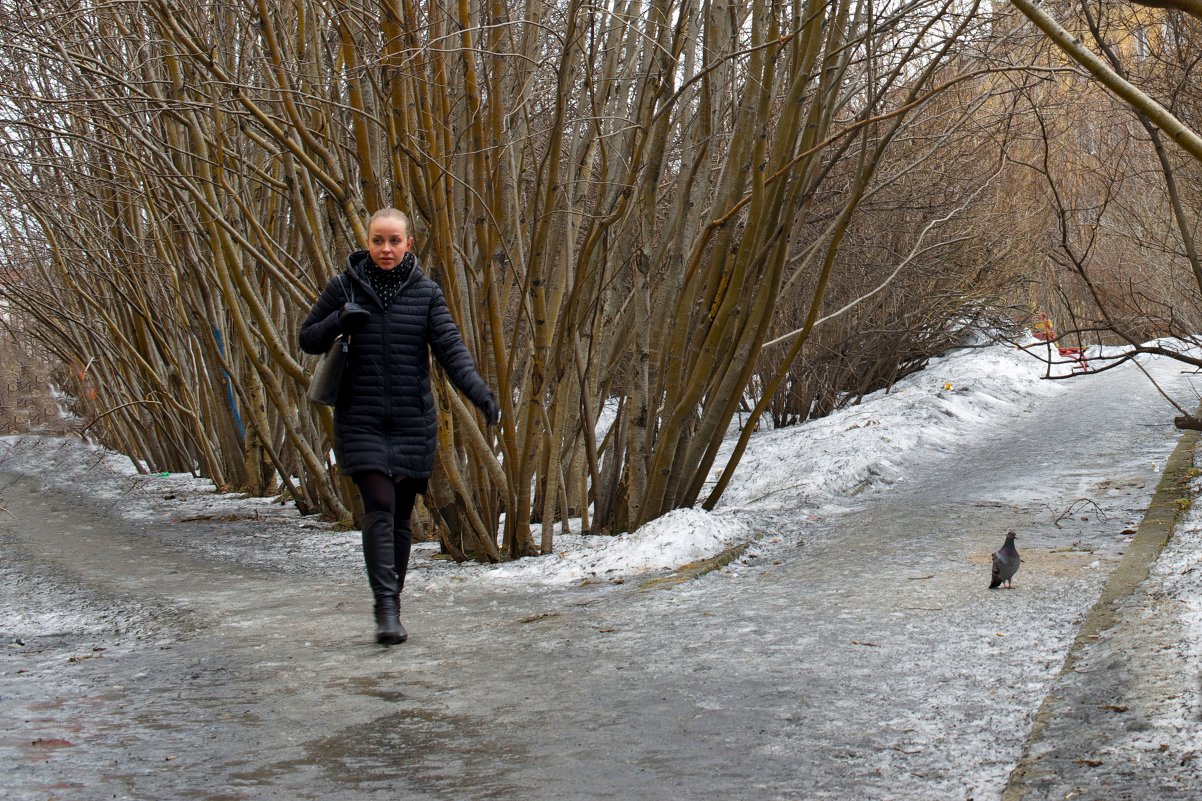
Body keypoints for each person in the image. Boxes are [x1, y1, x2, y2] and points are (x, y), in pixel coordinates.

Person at [299, 208, 500, 645]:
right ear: (367, 242)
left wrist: (480, 393)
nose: (385, 249)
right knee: (380, 508)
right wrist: (340, 321)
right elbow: (307, 337)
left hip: (413, 421)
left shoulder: (426, 293)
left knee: (402, 519)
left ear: (409, 244)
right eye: (377, 241)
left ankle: (395, 599)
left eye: (394, 241)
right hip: (361, 418)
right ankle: (385, 609)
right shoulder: (344, 286)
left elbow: (451, 349)